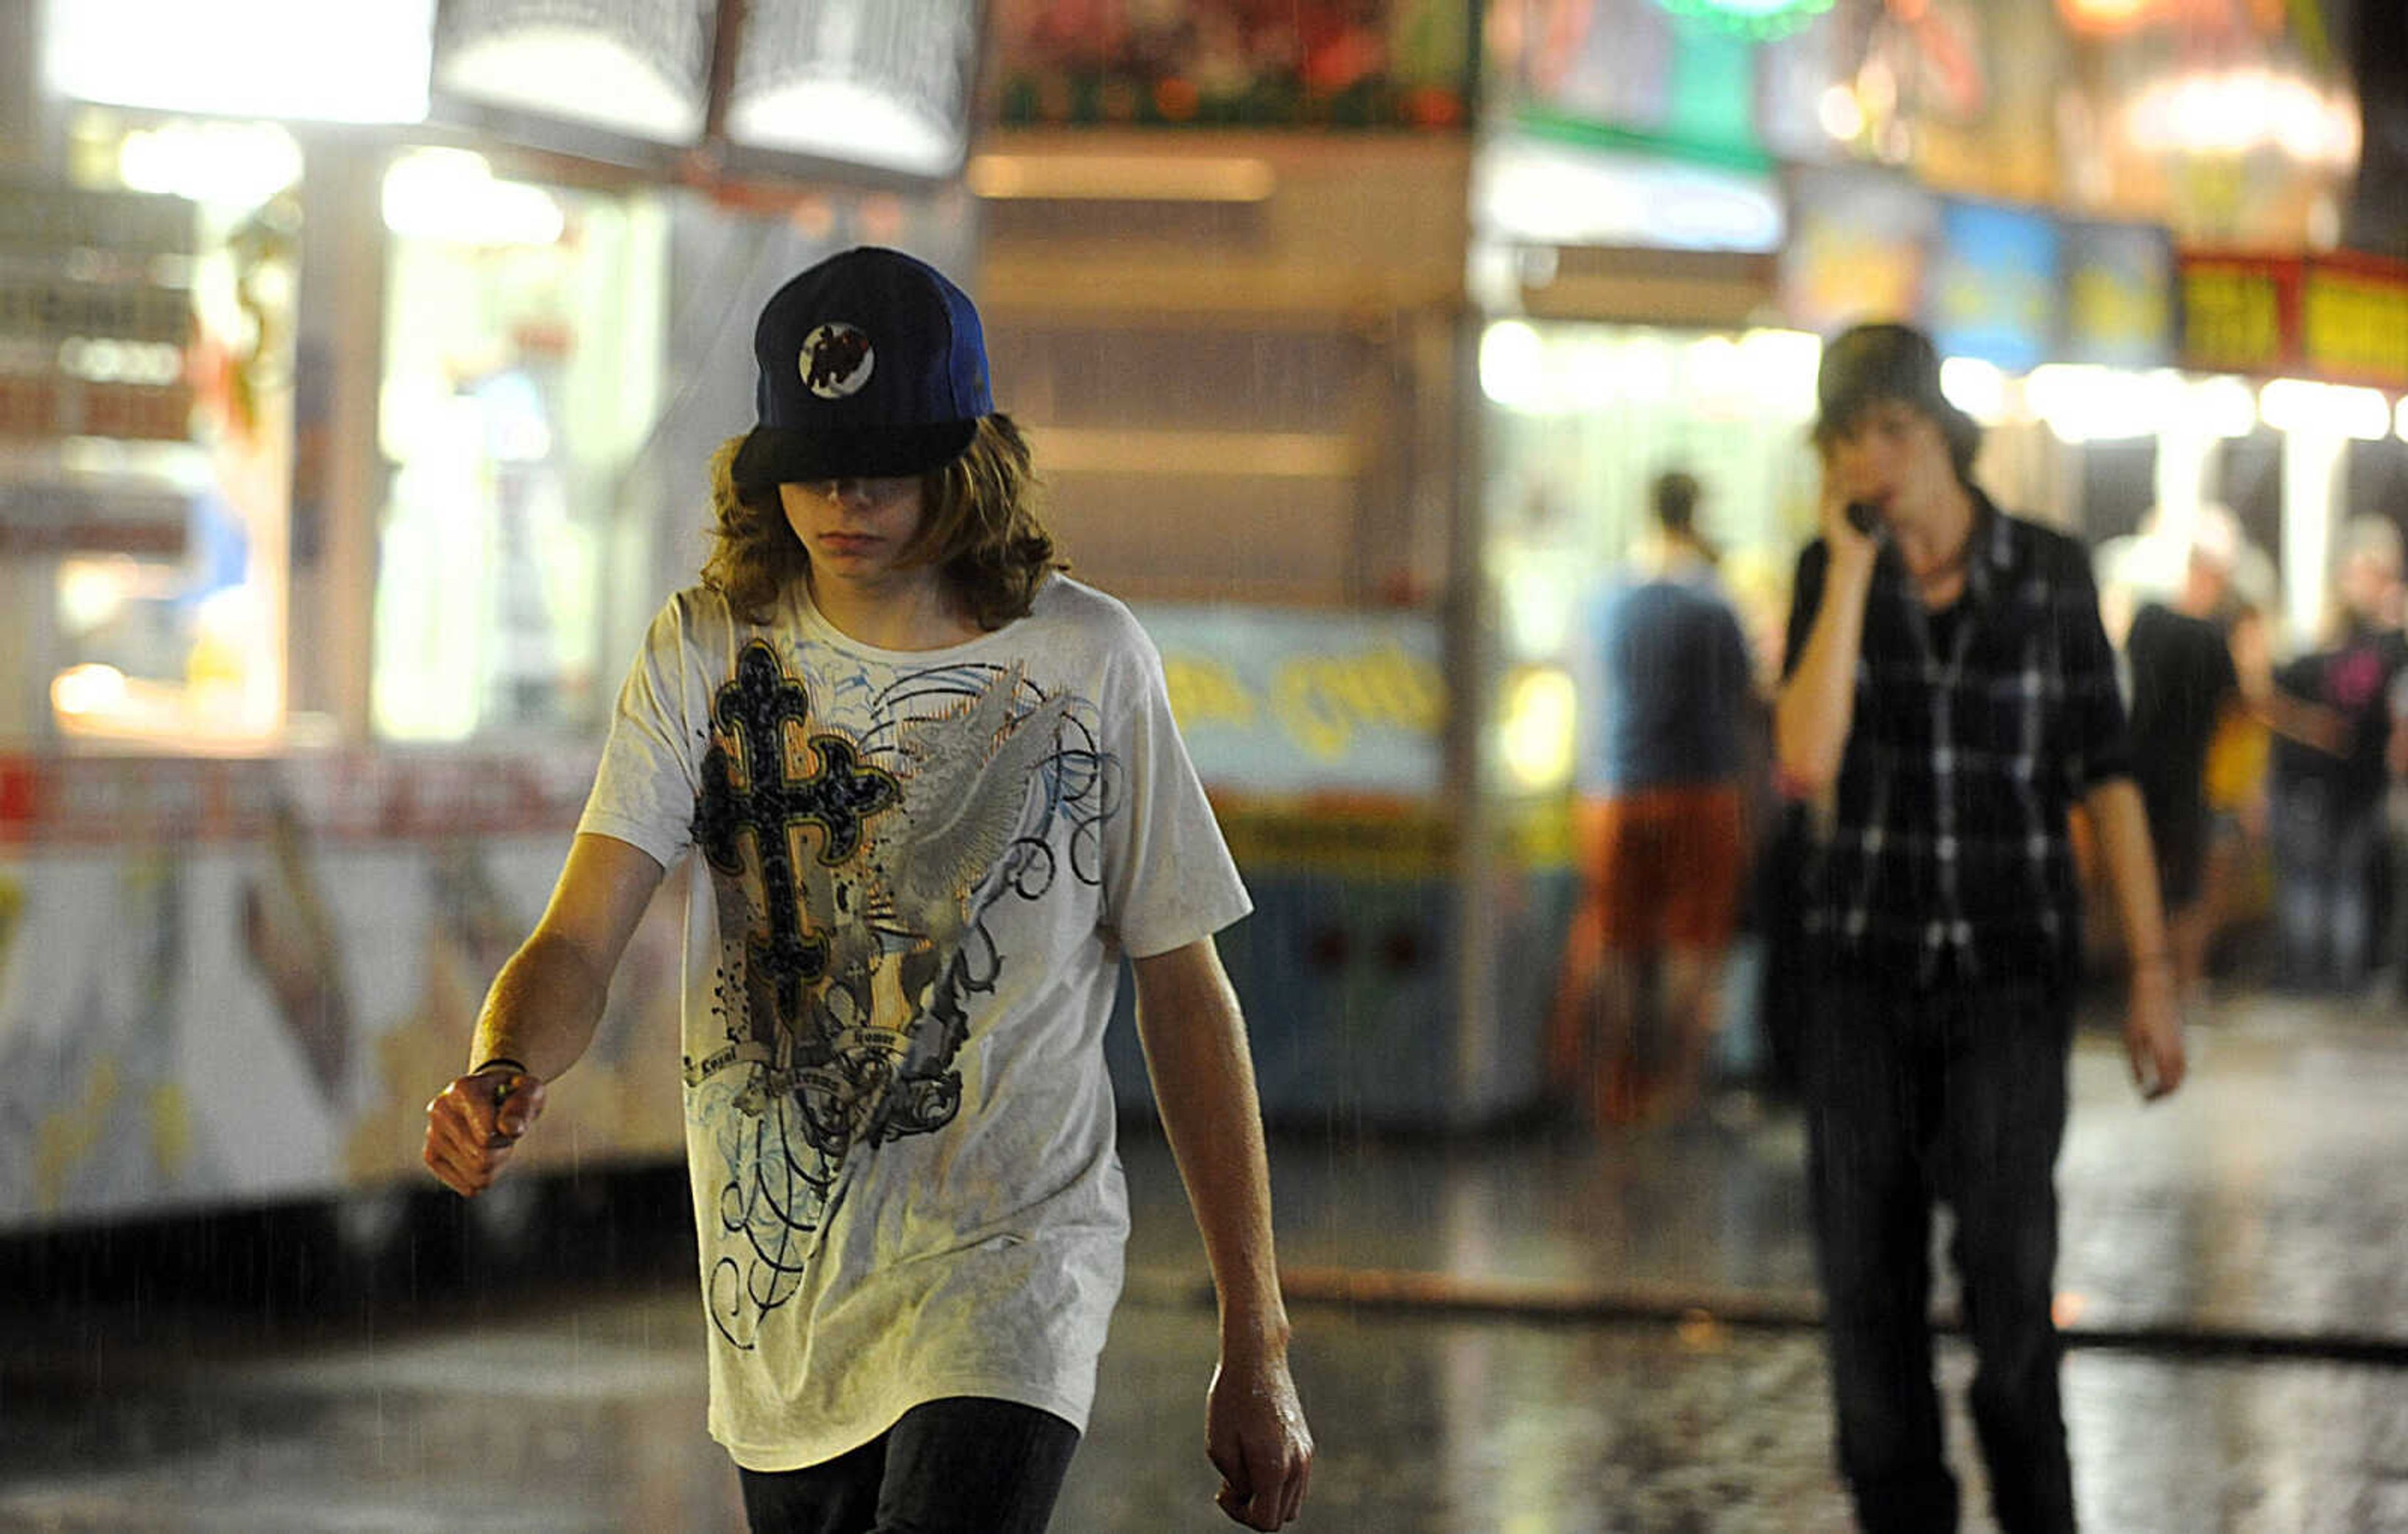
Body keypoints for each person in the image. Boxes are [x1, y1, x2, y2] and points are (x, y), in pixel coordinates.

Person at [421, 247, 1313, 1534]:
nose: (843, 495)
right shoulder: (703, 650)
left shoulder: (1087, 658)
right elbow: (579, 937)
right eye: (812, 463)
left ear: (967, 461)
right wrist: (502, 1066)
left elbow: (1184, 992)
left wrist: (1257, 1326)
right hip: (780, 1308)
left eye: (884, 461)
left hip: (1011, 1261)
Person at [1774, 322, 2185, 1534]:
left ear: (1943, 435)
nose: (1871, 462)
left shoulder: (2050, 572)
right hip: (1860, 979)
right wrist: (1851, 573)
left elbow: (2106, 775)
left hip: (2009, 980)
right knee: (1867, 1296)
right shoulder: (1826, 575)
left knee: (2011, 1292)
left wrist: (2153, 976)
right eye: (1846, 440)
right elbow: (1804, 760)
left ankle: (2037, 1513)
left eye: (1892, 432)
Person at [1550, 469, 1755, 1126]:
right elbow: (1746, 696)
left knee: (1613, 937)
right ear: (1696, 516)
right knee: (1691, 944)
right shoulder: (1715, 603)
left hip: (1612, 789)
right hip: (1698, 788)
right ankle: (1674, 1093)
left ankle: (1602, 1087)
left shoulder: (1606, 597)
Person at [2266, 514, 2408, 995]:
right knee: (2334, 884)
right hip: (2340, 783)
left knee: (2326, 884)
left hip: (2345, 784)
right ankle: (2333, 982)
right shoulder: (2371, 645)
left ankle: (2319, 981)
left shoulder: (2372, 645)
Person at [2120, 511, 2242, 1005]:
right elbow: (2234, 705)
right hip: (2186, 774)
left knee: (2142, 877)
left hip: (2136, 769)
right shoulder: (2213, 637)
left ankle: (2144, 979)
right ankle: (2181, 981)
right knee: (2186, 888)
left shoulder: (2149, 619)